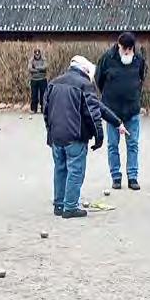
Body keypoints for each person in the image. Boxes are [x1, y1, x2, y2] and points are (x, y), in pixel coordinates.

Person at [44, 56, 124, 219]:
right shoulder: (84, 85)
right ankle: (70, 207)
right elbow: (93, 114)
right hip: (75, 136)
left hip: (56, 136)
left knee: (60, 169)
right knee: (75, 171)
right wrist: (99, 137)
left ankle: (59, 205)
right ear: (86, 70)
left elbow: (46, 110)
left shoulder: (53, 83)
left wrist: (50, 132)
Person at [96, 32, 147, 190]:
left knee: (133, 144)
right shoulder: (107, 59)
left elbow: (141, 78)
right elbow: (99, 79)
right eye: (124, 48)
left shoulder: (139, 60)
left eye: (130, 49)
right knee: (113, 145)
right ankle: (116, 177)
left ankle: (132, 177)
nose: (127, 52)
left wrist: (135, 93)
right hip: (112, 110)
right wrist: (108, 96)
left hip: (132, 109)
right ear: (119, 45)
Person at [29, 48, 48, 114]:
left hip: (42, 79)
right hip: (34, 79)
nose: (37, 56)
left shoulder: (43, 59)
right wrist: (40, 70)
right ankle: (34, 109)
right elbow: (30, 69)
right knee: (34, 95)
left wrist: (36, 68)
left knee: (43, 95)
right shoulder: (31, 60)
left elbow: (45, 67)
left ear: (40, 54)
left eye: (38, 54)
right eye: (36, 54)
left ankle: (43, 109)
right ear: (34, 54)